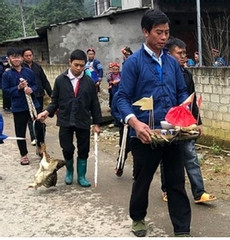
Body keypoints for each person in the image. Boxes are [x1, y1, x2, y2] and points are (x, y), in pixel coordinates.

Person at [116, 9, 191, 237]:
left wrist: (185, 115)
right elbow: (121, 98)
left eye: (167, 32)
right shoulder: (133, 64)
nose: (164, 37)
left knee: (176, 182)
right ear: (145, 32)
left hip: (171, 134)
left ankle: (182, 229)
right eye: (159, 32)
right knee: (143, 179)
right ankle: (138, 218)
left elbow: (181, 92)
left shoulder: (171, 63)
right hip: (144, 133)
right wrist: (135, 124)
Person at [160, 37, 216, 204]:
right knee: (167, 157)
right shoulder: (162, 73)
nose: (184, 56)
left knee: (191, 156)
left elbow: (193, 99)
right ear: (168, 54)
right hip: (168, 120)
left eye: (185, 53)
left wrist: (198, 122)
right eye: (180, 53)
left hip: (185, 121)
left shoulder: (187, 74)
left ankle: (199, 192)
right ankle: (167, 189)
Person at [37, 49, 102, 187]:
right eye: (76, 65)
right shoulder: (61, 80)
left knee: (84, 148)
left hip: (83, 120)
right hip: (65, 120)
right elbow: (54, 102)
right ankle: (69, 172)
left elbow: (94, 104)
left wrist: (97, 123)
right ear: (70, 62)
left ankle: (82, 176)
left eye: (82, 65)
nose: (79, 68)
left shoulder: (89, 82)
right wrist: (46, 112)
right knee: (67, 148)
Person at [2, 47, 45, 165]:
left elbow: (36, 86)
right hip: (18, 107)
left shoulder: (29, 72)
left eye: (18, 57)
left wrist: (31, 90)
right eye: (13, 57)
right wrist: (18, 88)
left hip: (33, 105)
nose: (16, 59)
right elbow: (5, 91)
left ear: (21, 58)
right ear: (9, 58)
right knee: (20, 131)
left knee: (39, 128)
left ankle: (41, 150)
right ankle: (24, 154)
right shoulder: (7, 75)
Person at [22, 48, 53, 146]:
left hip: (39, 95)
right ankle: (34, 137)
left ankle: (40, 135)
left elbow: (44, 81)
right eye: (26, 55)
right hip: (28, 97)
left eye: (30, 55)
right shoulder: (21, 68)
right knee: (31, 117)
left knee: (39, 116)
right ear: (23, 57)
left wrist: (51, 94)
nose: (29, 57)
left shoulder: (37, 67)